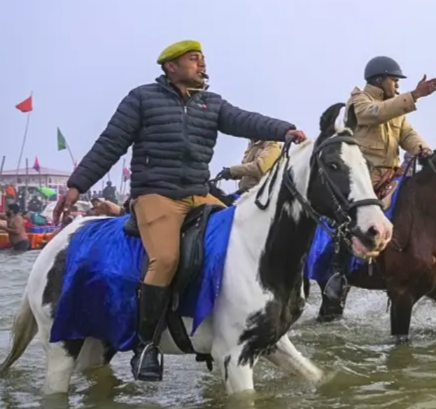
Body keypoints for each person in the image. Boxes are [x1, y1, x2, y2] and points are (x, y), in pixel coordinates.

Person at [53, 40, 305, 382]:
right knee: (167, 258)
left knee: (240, 238)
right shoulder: (141, 98)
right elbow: (110, 143)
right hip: (156, 195)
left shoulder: (211, 103)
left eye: (203, 59)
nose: (202, 65)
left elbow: (244, 120)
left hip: (198, 195)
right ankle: (146, 346)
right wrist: (77, 185)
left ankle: (231, 322)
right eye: (193, 59)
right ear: (171, 66)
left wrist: (283, 129)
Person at [347, 56, 436, 198]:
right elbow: (377, 113)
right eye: (394, 80)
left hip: (391, 178)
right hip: (363, 180)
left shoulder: (394, 109)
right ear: (379, 80)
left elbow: (408, 134)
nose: (397, 86)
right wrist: (414, 95)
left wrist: (424, 150)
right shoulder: (358, 101)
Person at [217, 138, 282, 193]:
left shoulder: (272, 144)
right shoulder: (252, 146)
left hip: (259, 195)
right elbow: (245, 170)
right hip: (245, 193)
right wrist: (231, 174)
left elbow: (259, 168)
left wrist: (232, 170)